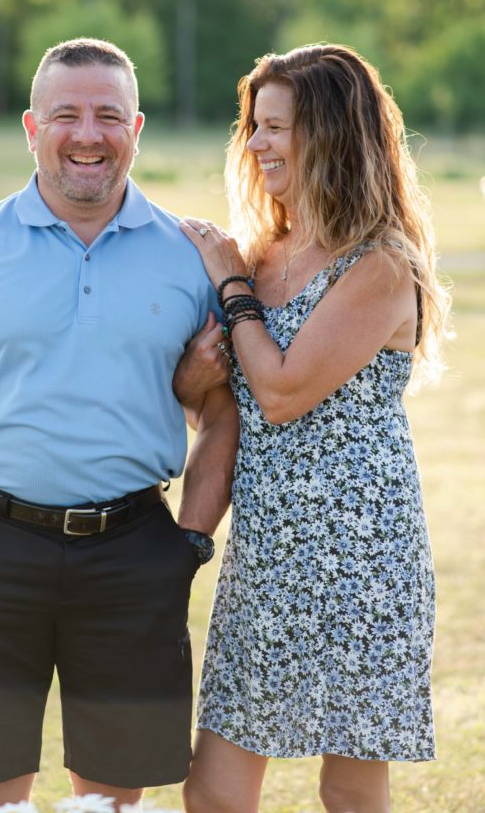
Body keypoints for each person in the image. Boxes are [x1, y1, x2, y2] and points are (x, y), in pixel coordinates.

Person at [0, 38, 237, 812]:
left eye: (108, 115)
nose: (87, 134)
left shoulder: (191, 259)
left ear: (135, 128)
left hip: (136, 552)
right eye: (65, 114)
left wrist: (191, 542)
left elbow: (222, 415)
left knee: (108, 799)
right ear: (31, 127)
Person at [173, 44, 451, 813]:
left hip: (363, 557)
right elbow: (223, 411)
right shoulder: (262, 256)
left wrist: (227, 281)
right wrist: (197, 378)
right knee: (216, 791)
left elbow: (285, 391)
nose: (256, 144)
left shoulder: (382, 264)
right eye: (252, 127)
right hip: (267, 551)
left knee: (350, 791)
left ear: (331, 135)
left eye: (276, 127)